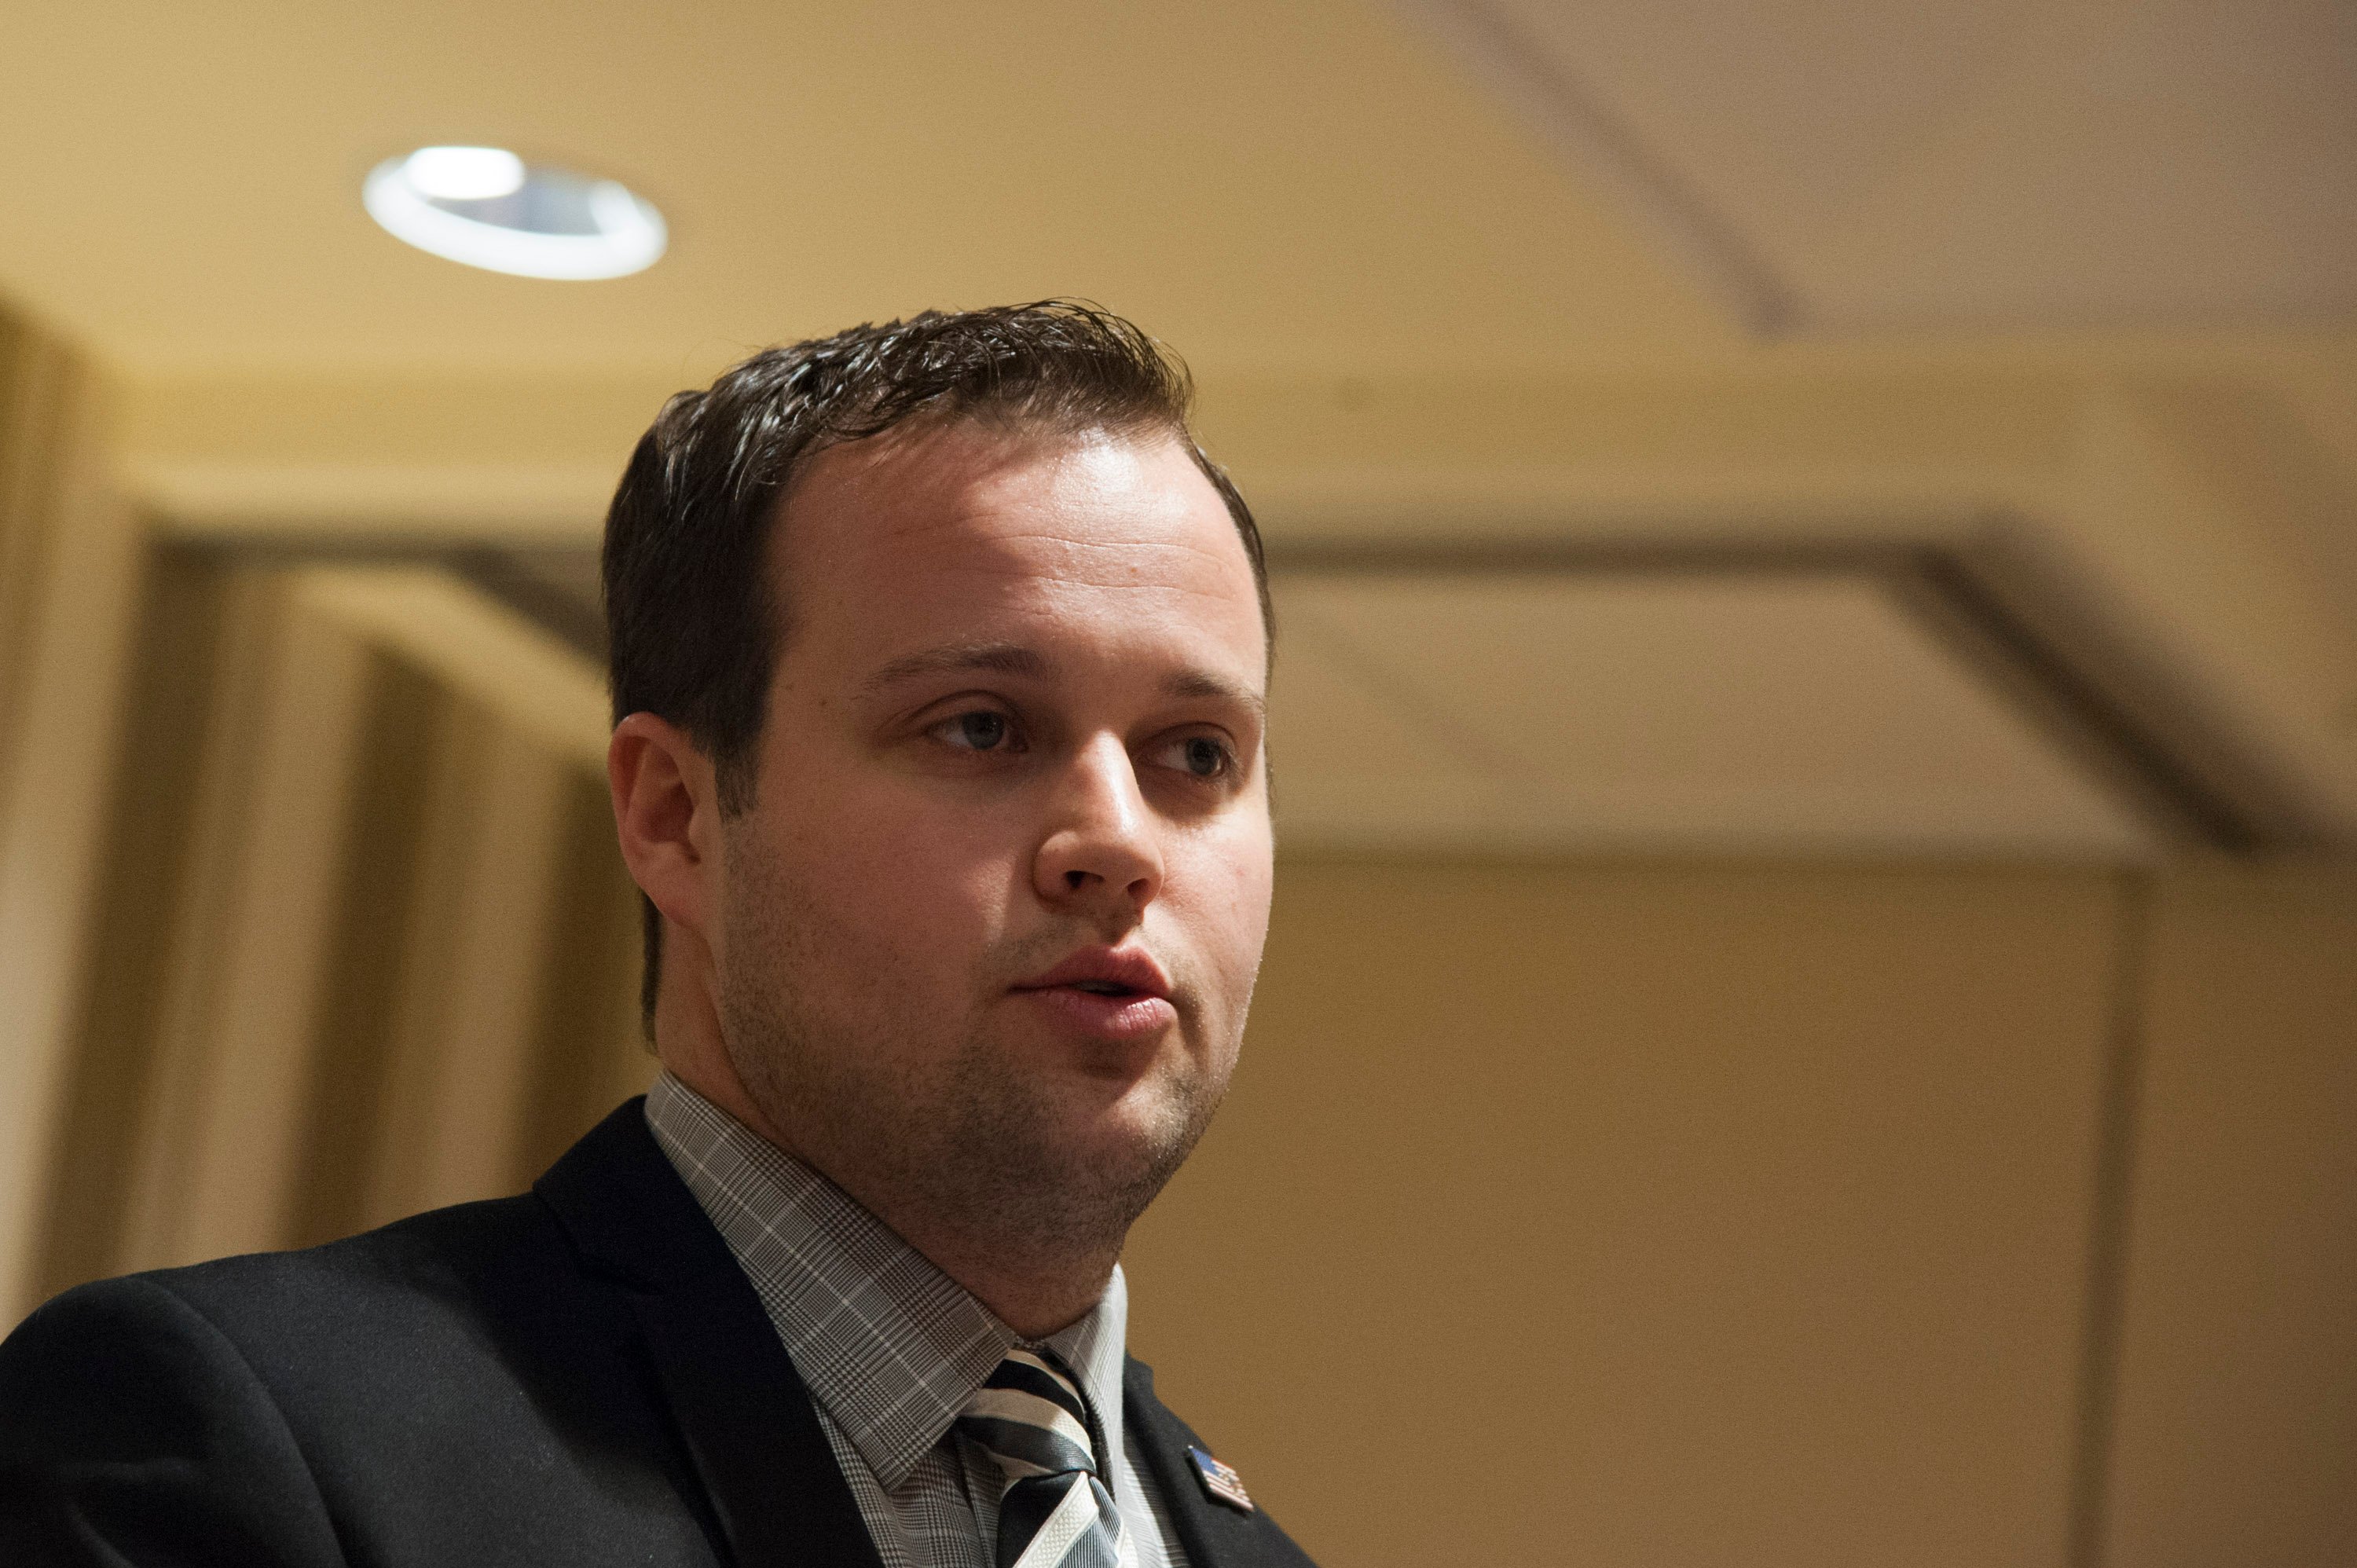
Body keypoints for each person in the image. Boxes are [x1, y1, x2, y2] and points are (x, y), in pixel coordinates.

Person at [0, 302, 1315, 1568]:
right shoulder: (238, 1436)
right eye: (979, 726)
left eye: (1196, 753)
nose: (1121, 843)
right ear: (677, 815)